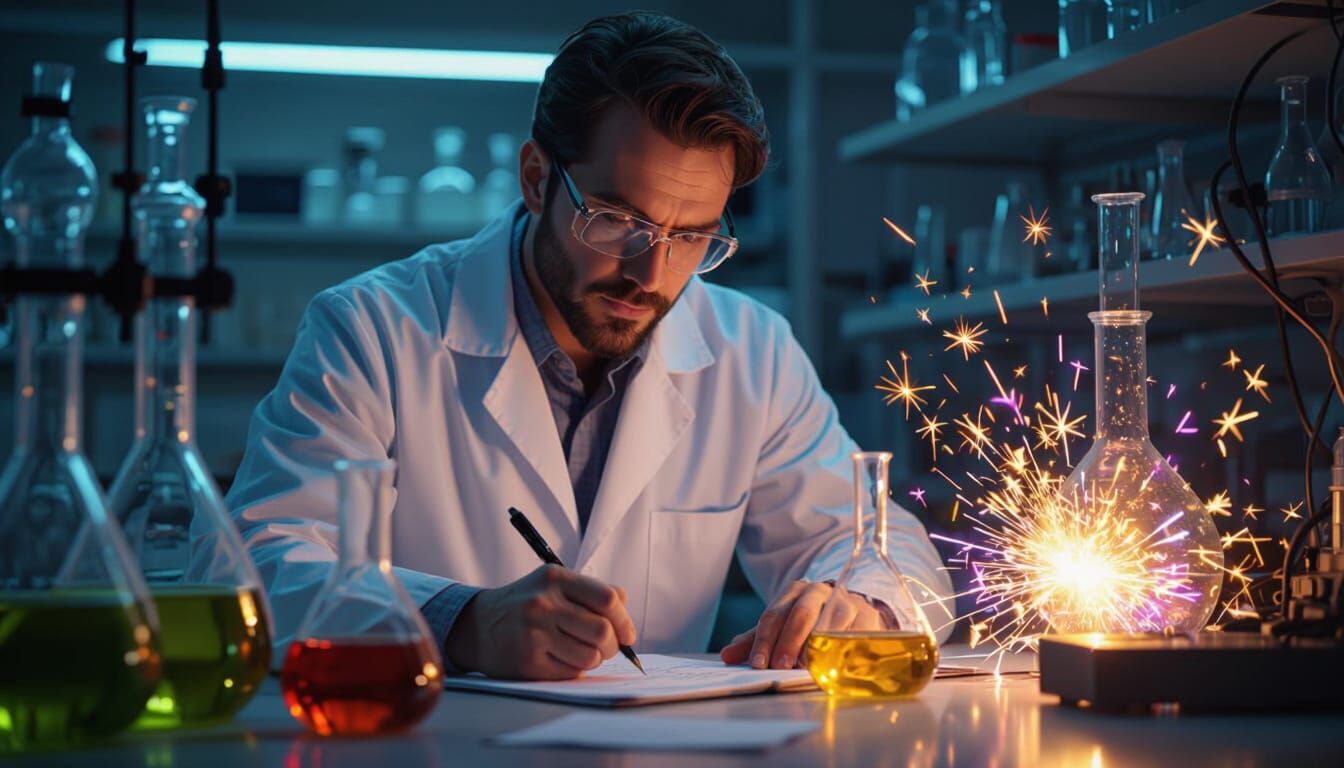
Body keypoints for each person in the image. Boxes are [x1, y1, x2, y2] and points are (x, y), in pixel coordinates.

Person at [226, 11, 953, 681]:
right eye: (616, 220)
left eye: (692, 237)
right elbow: (257, 563)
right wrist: (462, 622)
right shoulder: (372, 328)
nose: (651, 273)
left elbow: (885, 548)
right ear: (538, 179)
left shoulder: (752, 351)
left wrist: (862, 604)